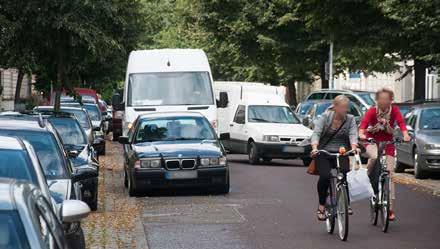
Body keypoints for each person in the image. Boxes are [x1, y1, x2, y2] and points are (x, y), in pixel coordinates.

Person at [359, 88, 411, 221]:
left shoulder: (394, 111)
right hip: (372, 141)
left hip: (388, 142)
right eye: (380, 99)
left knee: (390, 172)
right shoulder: (372, 111)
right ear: (377, 100)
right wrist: (362, 134)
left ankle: (391, 208)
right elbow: (363, 125)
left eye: (386, 99)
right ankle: (367, 175)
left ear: (391, 100)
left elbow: (401, 124)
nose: (383, 101)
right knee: (374, 156)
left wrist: (405, 135)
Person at [311, 95, 359, 221]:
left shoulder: (350, 119)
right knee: (325, 177)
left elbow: (353, 134)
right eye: (343, 107)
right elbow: (316, 133)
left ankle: (346, 202)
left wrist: (354, 147)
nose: (345, 110)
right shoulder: (325, 117)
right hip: (324, 152)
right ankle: (321, 206)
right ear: (335, 107)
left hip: (341, 152)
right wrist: (315, 148)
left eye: (346, 107)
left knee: (345, 175)